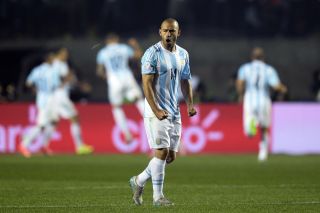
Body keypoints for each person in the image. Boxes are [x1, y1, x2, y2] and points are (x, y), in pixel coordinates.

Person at [129, 18, 197, 206]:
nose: (168, 34)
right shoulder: (151, 54)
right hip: (155, 110)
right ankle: (158, 197)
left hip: (174, 111)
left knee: (170, 156)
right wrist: (156, 109)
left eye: (172, 31)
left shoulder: (183, 54)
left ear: (178, 32)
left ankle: (139, 180)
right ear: (160, 32)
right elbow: (146, 85)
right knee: (161, 151)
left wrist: (190, 104)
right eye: (165, 31)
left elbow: (185, 80)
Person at [236, 47, 287, 162]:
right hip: (264, 100)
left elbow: (239, 82)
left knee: (249, 131)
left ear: (252, 57)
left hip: (249, 100)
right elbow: (276, 86)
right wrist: (283, 89)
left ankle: (251, 127)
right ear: (263, 57)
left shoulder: (245, 68)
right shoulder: (269, 69)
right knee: (264, 128)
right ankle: (263, 152)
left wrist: (240, 95)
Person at [96, 33, 144, 143]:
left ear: (107, 41)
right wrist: (135, 45)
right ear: (116, 39)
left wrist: (105, 76)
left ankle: (127, 135)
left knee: (117, 107)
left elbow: (99, 71)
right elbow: (138, 55)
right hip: (127, 78)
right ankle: (154, 122)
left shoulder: (102, 53)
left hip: (114, 82)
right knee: (139, 101)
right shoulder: (124, 48)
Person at [50, 47, 93, 154]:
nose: (66, 56)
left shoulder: (56, 64)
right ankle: (79, 146)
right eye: (64, 54)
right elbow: (62, 80)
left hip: (56, 95)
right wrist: (71, 78)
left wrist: (76, 83)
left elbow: (65, 80)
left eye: (67, 54)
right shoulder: (60, 65)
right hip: (61, 95)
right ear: (59, 54)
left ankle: (37, 143)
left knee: (53, 121)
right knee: (75, 118)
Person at [19, 52, 59, 157]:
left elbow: (28, 83)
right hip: (49, 99)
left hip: (41, 98)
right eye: (53, 59)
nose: (54, 60)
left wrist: (36, 90)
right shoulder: (52, 70)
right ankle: (23, 144)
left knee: (54, 121)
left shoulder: (36, 70)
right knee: (41, 125)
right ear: (49, 59)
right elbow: (56, 85)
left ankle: (45, 146)